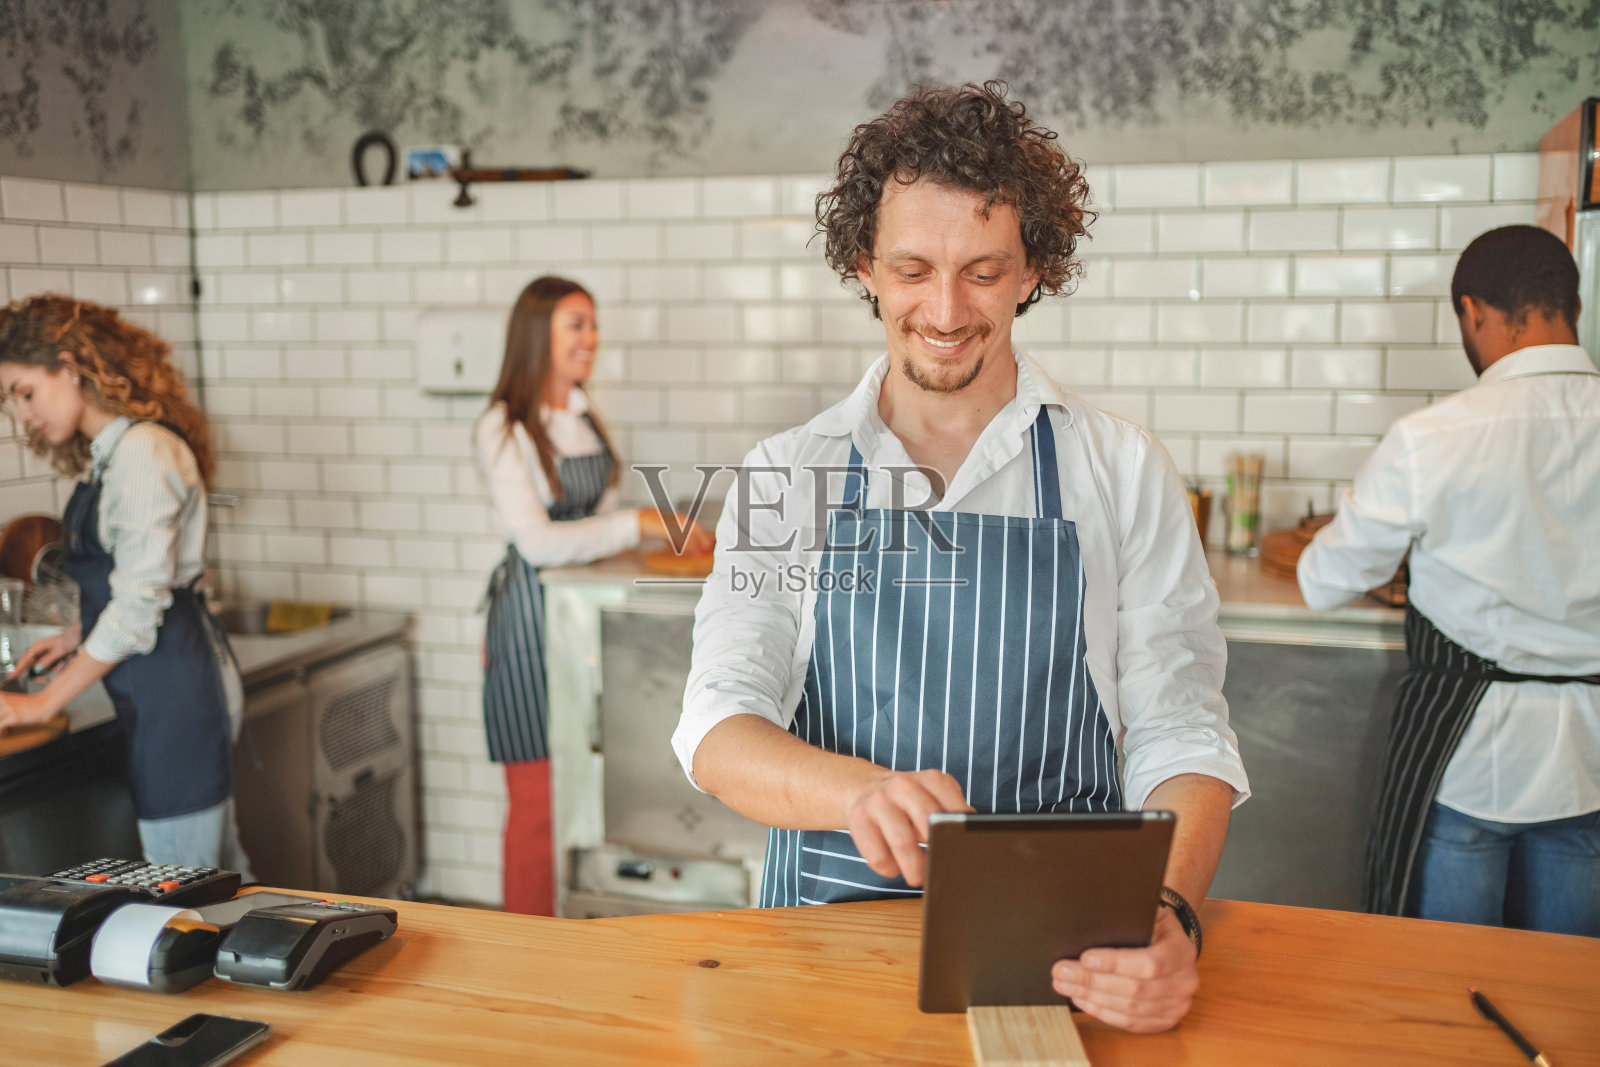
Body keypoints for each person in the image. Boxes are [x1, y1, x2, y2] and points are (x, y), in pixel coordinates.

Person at [672, 83, 1248, 1033]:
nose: (945, 310)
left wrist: (1170, 913)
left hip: (1062, 954)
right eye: (913, 269)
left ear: (1032, 271)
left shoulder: (1121, 469)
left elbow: (1181, 731)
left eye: (983, 271)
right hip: (821, 952)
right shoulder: (789, 472)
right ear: (864, 265)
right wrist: (861, 791)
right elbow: (718, 727)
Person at [1298, 225, 1600, 936]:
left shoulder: (1433, 436)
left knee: (1441, 977)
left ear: (1473, 311)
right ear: (1575, 307)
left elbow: (1325, 580)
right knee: (1569, 984)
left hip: (1469, 755)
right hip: (1590, 761)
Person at [476, 275, 710, 915]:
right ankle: (526, 940)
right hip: (528, 624)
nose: (591, 339)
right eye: (576, 325)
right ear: (537, 334)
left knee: (583, 784)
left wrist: (653, 543)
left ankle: (575, 930)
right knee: (536, 794)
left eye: (594, 325)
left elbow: (594, 528)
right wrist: (639, 523)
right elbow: (538, 543)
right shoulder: (504, 427)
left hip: (580, 616)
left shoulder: (582, 415)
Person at [0, 294, 251, 875]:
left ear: (69, 367)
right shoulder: (114, 454)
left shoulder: (141, 452)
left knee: (185, 883)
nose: (23, 415)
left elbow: (140, 605)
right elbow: (134, 581)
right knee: (217, 873)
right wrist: (76, 635)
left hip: (176, 687)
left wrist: (42, 702)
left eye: (25, 392)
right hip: (163, 680)